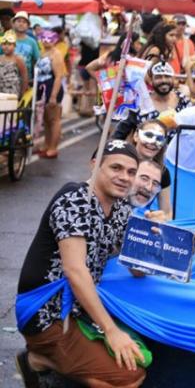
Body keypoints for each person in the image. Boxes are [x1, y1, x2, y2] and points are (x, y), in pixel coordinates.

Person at [15, 140, 146, 387]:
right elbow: (75, 271)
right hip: (48, 313)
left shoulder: (121, 209)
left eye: (131, 172)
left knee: (139, 359)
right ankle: (40, 357)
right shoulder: (75, 199)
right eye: (115, 168)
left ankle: (44, 360)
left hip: (80, 310)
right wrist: (111, 331)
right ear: (95, 165)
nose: (124, 177)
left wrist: (149, 235)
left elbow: (137, 270)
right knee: (128, 379)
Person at [112, 61, 190, 139]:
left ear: (173, 79)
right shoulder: (140, 103)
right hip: (147, 149)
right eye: (158, 77)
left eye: (167, 76)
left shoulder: (184, 101)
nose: (163, 80)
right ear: (151, 81)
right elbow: (119, 133)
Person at [131, 119, 172, 219]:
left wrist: (160, 220)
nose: (153, 142)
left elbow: (167, 213)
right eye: (149, 135)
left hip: (138, 227)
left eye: (159, 139)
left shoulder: (163, 173)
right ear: (136, 136)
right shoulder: (119, 161)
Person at [36, 30, 67, 159]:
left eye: (49, 39)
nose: (45, 41)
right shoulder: (44, 53)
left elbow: (59, 76)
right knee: (46, 119)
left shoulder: (56, 54)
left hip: (52, 88)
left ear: (54, 40)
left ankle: (53, 147)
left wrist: (53, 95)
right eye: (43, 38)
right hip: (42, 89)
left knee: (54, 119)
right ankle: (47, 144)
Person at [5, 11, 39, 84]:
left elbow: (37, 61)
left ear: (27, 26)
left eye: (24, 22)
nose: (21, 24)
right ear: (13, 24)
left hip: (26, 81)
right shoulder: (6, 39)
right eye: (19, 21)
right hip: (6, 80)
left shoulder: (32, 42)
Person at [0, 30, 28, 98]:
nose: (6, 47)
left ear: (14, 46)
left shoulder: (18, 59)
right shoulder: (0, 58)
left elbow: (24, 76)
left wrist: (23, 92)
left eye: (9, 44)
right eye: (4, 44)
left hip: (13, 89)